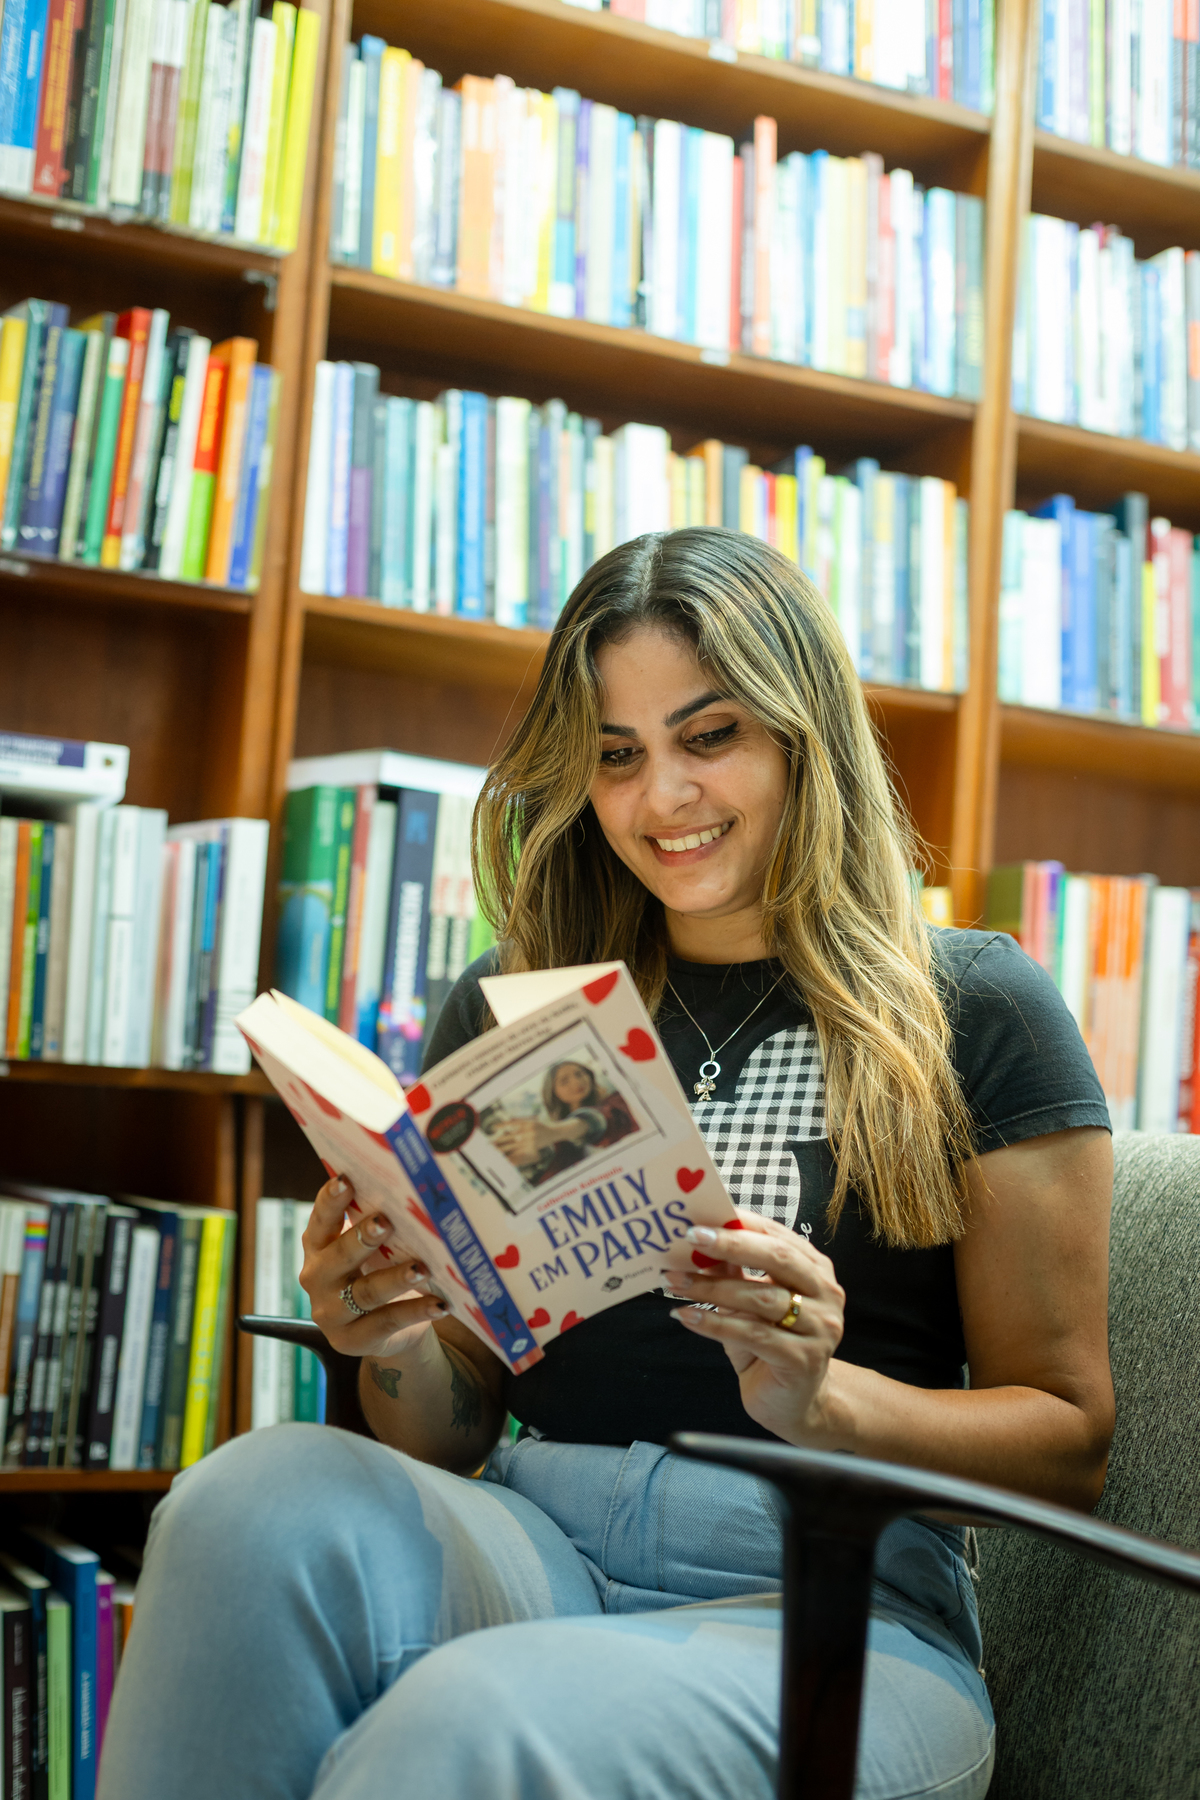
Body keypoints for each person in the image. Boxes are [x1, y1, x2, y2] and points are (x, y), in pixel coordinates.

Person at [99, 528, 1114, 1800]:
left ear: (806, 735)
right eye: (616, 756)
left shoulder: (976, 1004)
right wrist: (394, 1341)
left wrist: (826, 1399)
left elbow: (1069, 1435)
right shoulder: (522, 1006)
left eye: (710, 736)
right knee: (238, 1504)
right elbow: (454, 1426)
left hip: (831, 1598)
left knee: (475, 1717)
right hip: (534, 1526)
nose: (661, 799)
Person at [489, 1059, 638, 1185]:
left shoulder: (616, 1101)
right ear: (553, 1092)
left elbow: (605, 1119)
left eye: (579, 1073)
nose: (576, 1082)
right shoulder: (557, 1142)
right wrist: (535, 1160)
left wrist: (558, 1131)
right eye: (564, 1081)